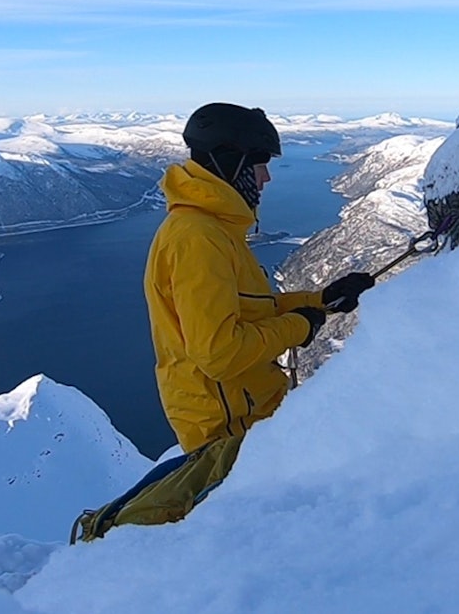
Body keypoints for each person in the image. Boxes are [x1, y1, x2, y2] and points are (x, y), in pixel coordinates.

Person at [143, 102, 375, 453]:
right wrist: (299, 326)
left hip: (246, 413)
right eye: (260, 165)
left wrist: (319, 301)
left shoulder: (214, 229)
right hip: (230, 432)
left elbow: (249, 309)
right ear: (231, 164)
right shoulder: (197, 239)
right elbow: (219, 354)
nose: (266, 177)